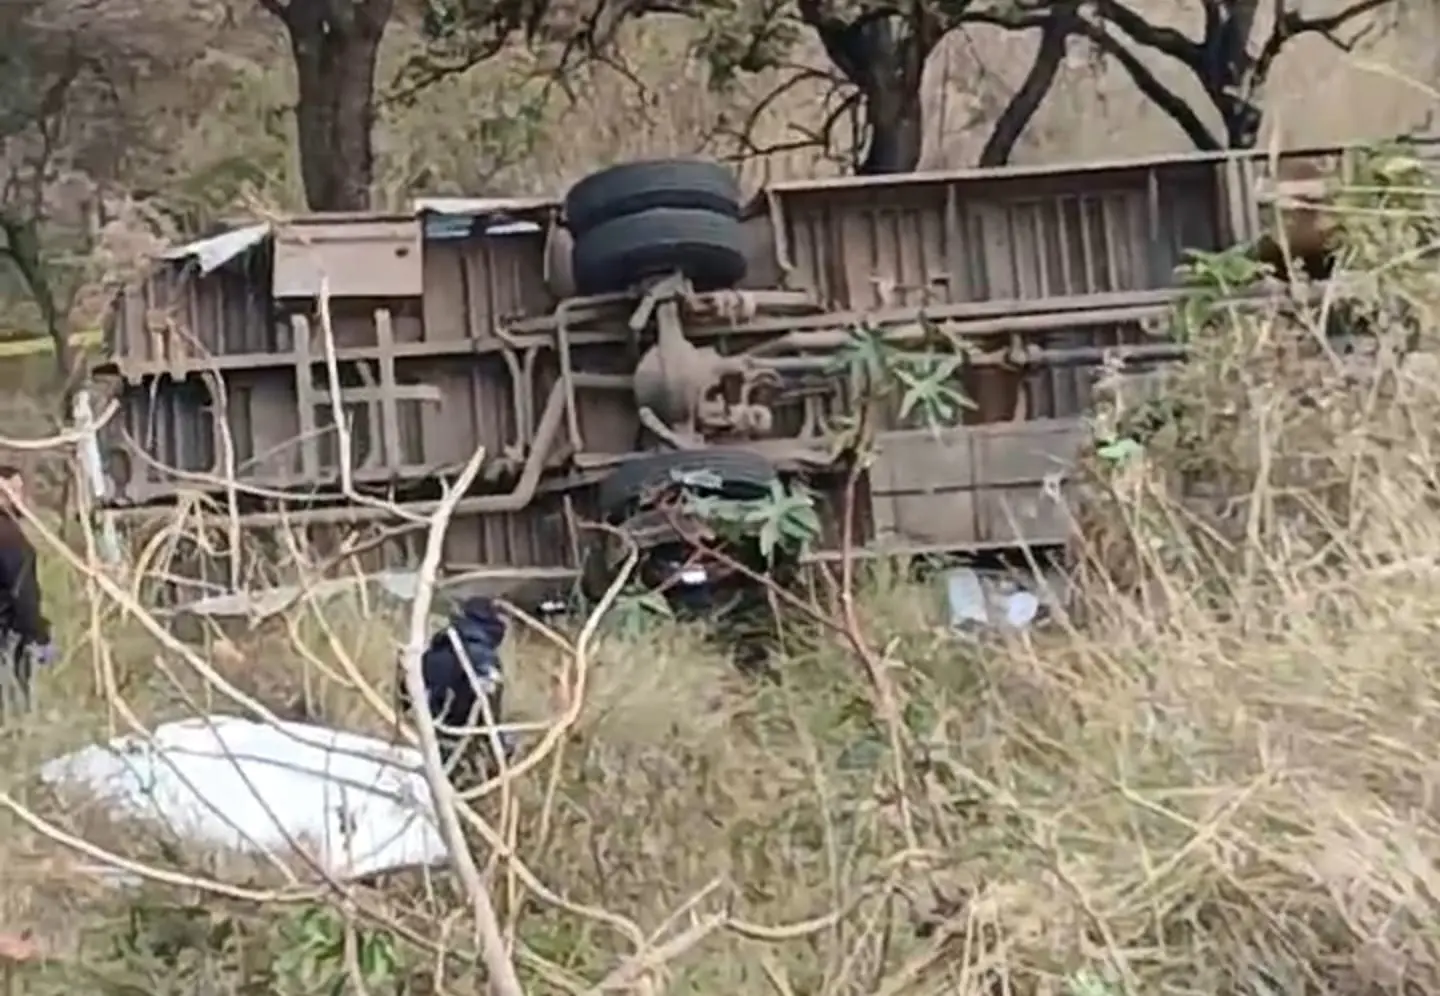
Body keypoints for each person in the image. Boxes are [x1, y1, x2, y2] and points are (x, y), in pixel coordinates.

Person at [396, 596, 513, 774]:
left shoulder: (435, 650)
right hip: (459, 747)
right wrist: (499, 750)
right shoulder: (485, 659)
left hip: (422, 739)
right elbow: (488, 711)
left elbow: (405, 693)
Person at [0, 465, 54, 717]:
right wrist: (39, 635)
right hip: (9, 633)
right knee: (15, 704)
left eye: (19, 490)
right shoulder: (9, 537)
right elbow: (23, 593)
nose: (18, 498)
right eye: (12, 491)